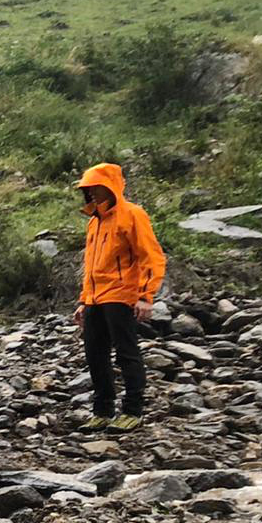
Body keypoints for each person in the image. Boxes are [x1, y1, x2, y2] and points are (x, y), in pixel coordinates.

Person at [73, 163, 166, 432]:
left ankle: (133, 411)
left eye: (95, 186)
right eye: (87, 188)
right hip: (95, 299)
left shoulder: (132, 214)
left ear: (110, 186)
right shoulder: (94, 221)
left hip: (121, 294)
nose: (90, 192)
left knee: (127, 353)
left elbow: (152, 256)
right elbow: (91, 266)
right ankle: (102, 411)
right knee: (95, 354)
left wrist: (146, 296)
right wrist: (83, 300)